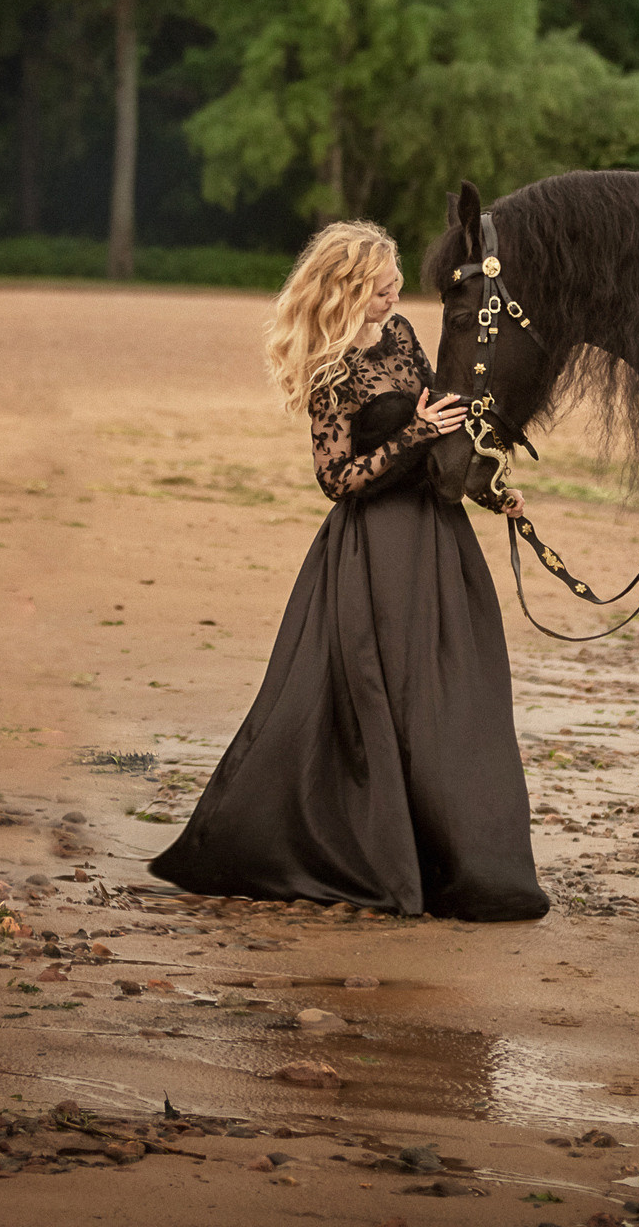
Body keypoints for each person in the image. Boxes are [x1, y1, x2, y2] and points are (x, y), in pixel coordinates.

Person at [148, 222, 549, 921]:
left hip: (438, 544)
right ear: (347, 288)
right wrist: (414, 433)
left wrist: (490, 491)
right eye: (383, 286)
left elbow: (442, 429)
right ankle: (369, 858)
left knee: (449, 706)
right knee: (373, 705)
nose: (395, 296)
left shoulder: (401, 339)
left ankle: (458, 865)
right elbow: (337, 478)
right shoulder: (332, 372)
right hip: (371, 559)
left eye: (396, 285)